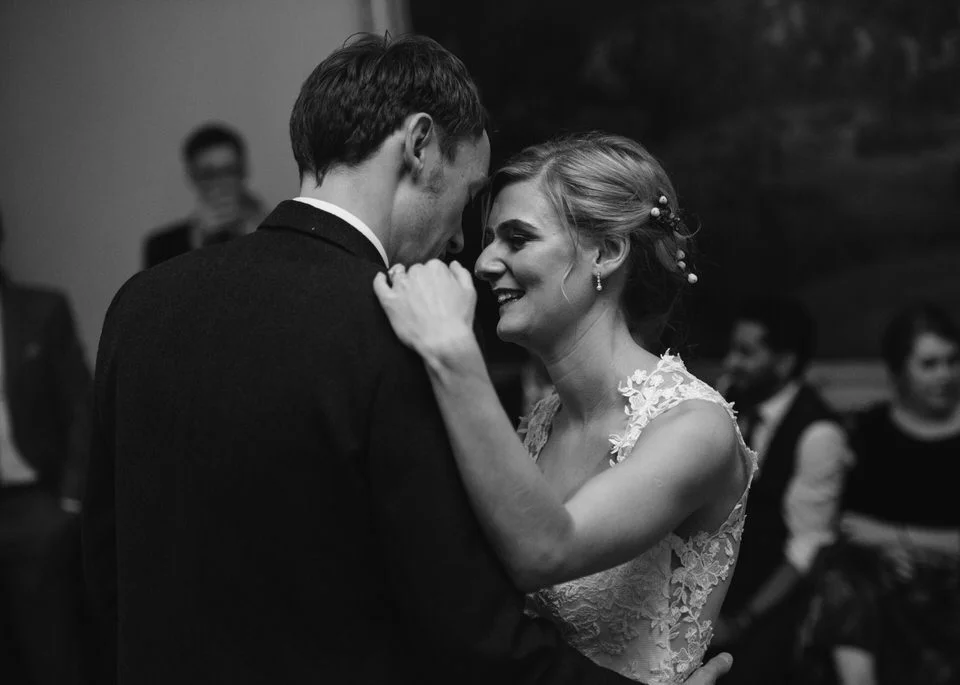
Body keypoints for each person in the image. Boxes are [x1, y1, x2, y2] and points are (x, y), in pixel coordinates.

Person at [81, 35, 732, 685]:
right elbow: (465, 625)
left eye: (514, 236)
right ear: (419, 144)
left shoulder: (140, 304)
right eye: (470, 200)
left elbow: (104, 566)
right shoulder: (398, 327)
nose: (465, 248)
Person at [373, 131, 756, 683]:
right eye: (489, 240)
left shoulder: (693, 427)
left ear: (606, 252)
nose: (483, 262)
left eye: (517, 238)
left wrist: (452, 349)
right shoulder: (539, 423)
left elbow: (546, 551)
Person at [796, 303, 960, 685]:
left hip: (950, 586)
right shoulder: (870, 431)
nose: (946, 375)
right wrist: (890, 550)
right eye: (930, 364)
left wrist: (902, 539)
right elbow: (851, 525)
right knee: (844, 577)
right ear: (899, 370)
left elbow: (875, 529)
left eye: (953, 361)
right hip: (883, 581)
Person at [708, 298, 854, 685]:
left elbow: (806, 548)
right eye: (732, 349)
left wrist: (742, 620)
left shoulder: (819, 433)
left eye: (746, 352)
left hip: (769, 602)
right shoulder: (726, 400)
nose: (731, 362)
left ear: (785, 362)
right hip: (709, 583)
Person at [0, 205, 92, 685]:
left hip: (37, 507)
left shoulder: (41, 310)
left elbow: (82, 404)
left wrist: (70, 502)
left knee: (52, 653)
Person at [142, 122, 266, 269]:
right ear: (192, 176)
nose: (221, 183)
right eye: (209, 174)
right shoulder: (162, 246)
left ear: (244, 171)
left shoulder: (265, 231)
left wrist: (261, 235)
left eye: (230, 170)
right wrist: (200, 241)